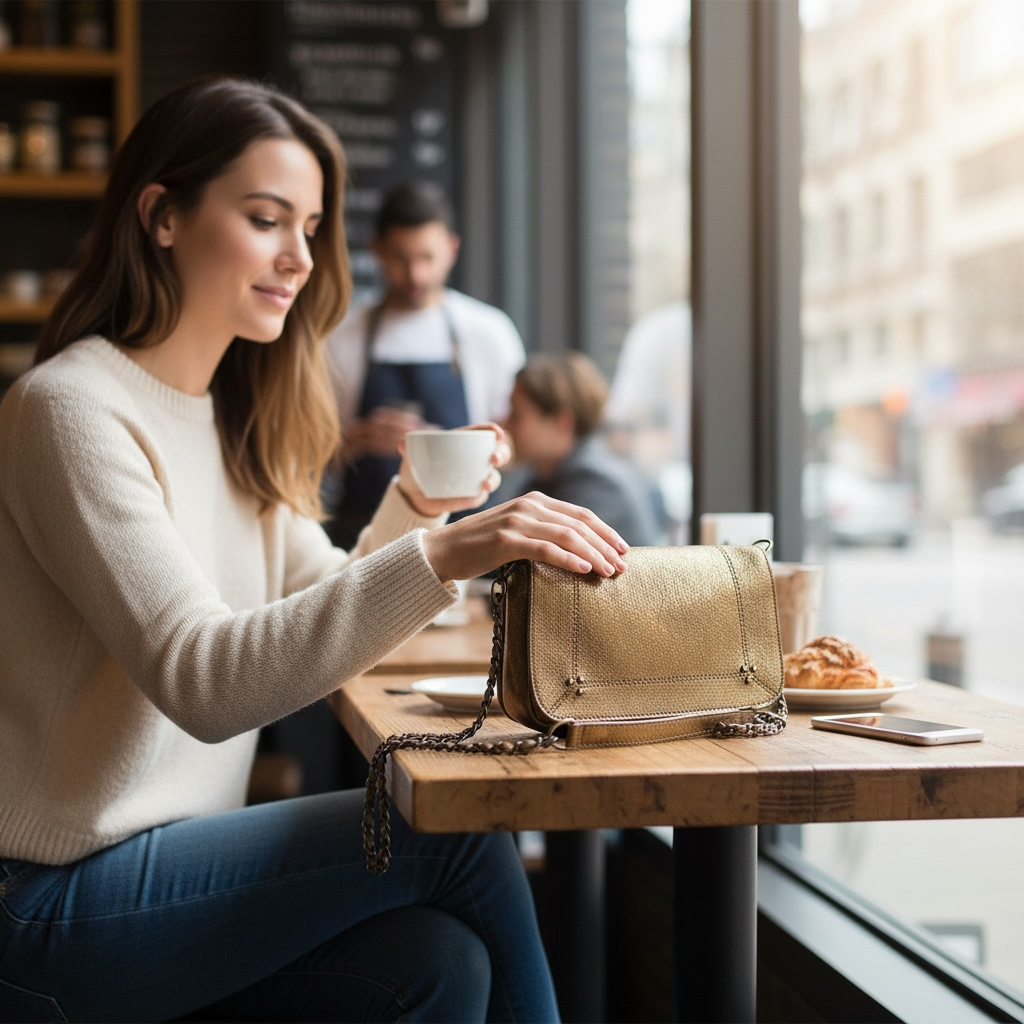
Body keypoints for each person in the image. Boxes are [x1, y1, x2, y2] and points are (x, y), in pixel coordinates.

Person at [0, 76, 629, 1023]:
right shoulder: (70, 410)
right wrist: (455, 552)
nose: (298, 258)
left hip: (170, 871)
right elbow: (205, 680)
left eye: (310, 228)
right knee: (454, 836)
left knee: (439, 963)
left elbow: (332, 592)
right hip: (48, 902)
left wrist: (421, 507)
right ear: (162, 216)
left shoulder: (231, 421)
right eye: (265, 219)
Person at [324, 181, 526, 548]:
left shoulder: (489, 332)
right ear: (376, 250)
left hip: (470, 536)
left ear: (451, 250)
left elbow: (518, 441)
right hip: (365, 539)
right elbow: (309, 452)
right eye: (401, 259)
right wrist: (360, 437)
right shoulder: (340, 337)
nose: (415, 275)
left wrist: (484, 449)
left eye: (427, 258)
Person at [497, 352, 662, 547]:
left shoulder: (596, 487)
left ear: (562, 422)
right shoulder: (546, 478)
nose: (503, 423)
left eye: (516, 415)